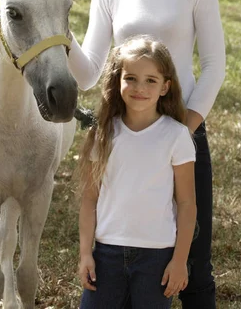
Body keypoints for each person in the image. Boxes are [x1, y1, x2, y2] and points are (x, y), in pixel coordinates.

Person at [69, 0, 226, 309]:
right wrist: (59, 36)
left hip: (182, 134)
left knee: (193, 260)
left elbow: (214, 64)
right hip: (122, 138)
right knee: (117, 254)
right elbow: (89, 73)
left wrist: (182, 132)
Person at [78, 35, 196, 309]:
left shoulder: (176, 136)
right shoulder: (104, 134)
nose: (139, 87)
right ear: (118, 80)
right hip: (106, 255)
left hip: (157, 258)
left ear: (165, 87)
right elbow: (89, 200)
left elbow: (187, 204)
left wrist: (179, 261)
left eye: (150, 80)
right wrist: (86, 254)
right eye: (130, 78)